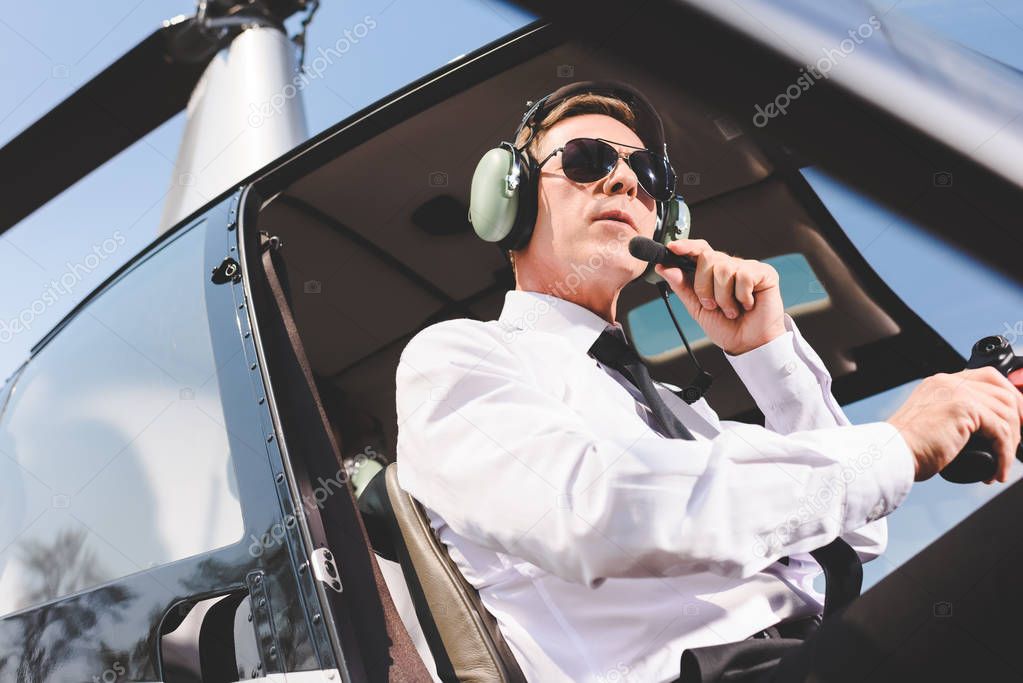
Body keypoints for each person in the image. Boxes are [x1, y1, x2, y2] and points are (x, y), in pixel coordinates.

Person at [393, 81, 1023, 682]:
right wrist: (898, 441)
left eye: (652, 176)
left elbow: (852, 534)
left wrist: (769, 356)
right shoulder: (456, 360)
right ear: (510, 197)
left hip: (818, 650)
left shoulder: (677, 413)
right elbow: (605, 514)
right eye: (587, 160)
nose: (627, 180)